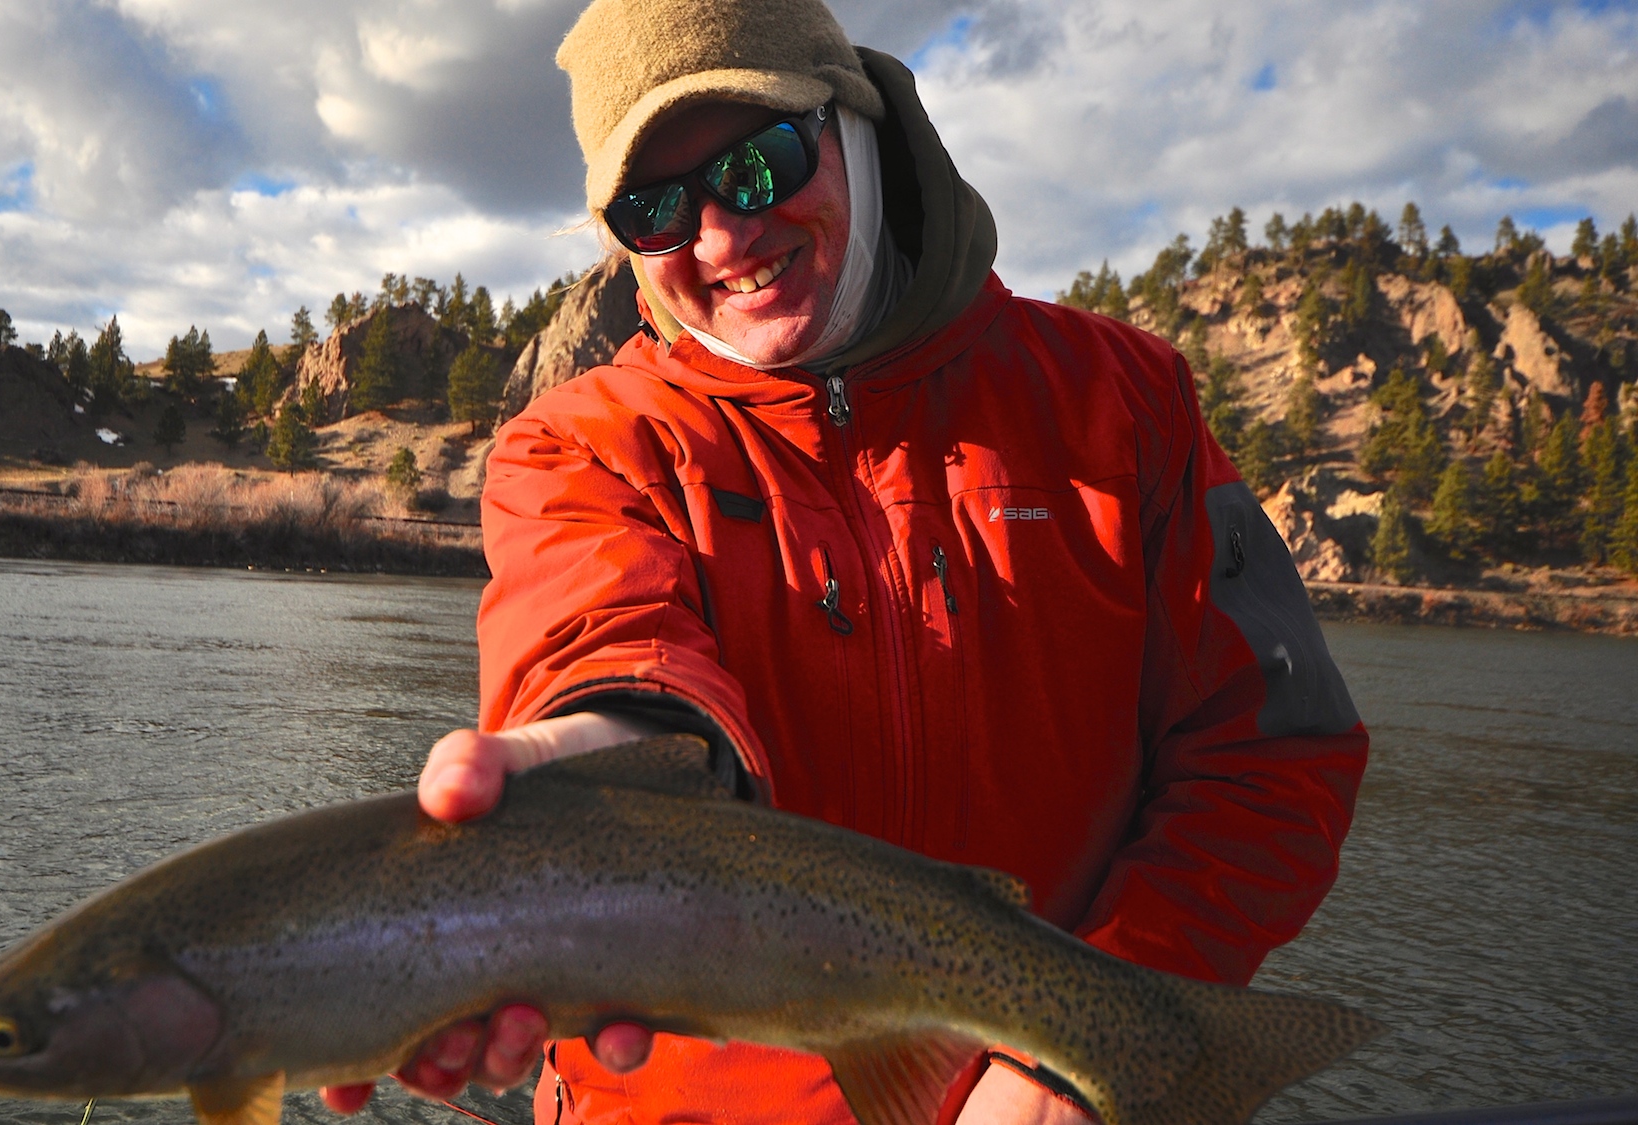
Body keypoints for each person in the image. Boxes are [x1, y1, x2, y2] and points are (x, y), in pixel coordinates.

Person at [324, 0, 1367, 1121]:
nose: (720, 238)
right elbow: (604, 648)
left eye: (760, 162)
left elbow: (1267, 762)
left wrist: (1071, 1063)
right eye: (654, 207)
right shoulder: (574, 446)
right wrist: (612, 757)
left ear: (854, 118)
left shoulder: (1127, 401)